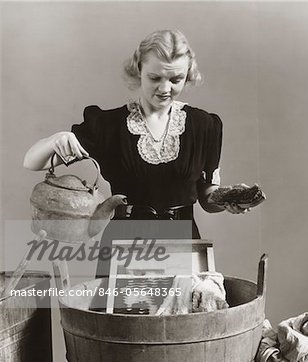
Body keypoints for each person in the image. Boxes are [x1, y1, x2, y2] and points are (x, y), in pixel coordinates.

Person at [24, 29, 250, 277]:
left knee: (183, 315)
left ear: (188, 76)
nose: (165, 88)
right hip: (124, 247)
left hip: (184, 246)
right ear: (139, 70)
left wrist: (227, 200)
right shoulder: (108, 125)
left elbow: (207, 198)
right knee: (121, 315)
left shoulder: (204, 125)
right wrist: (54, 140)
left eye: (176, 79)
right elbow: (31, 162)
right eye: (155, 78)